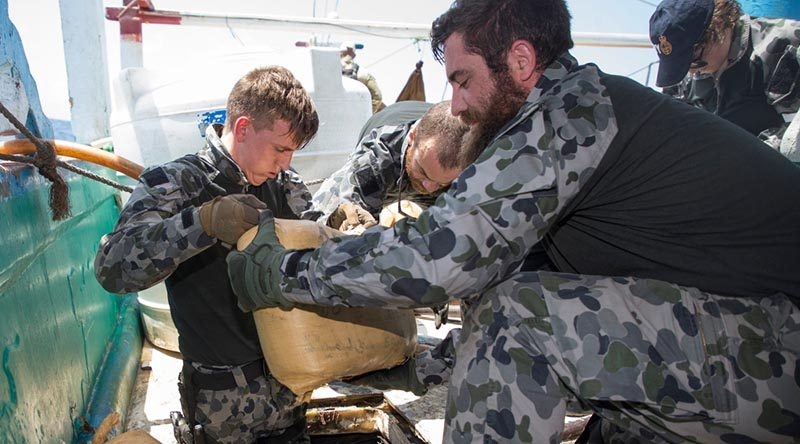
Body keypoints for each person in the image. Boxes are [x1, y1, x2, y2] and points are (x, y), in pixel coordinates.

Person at [227, 1, 800, 443]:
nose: (454, 105)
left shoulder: (571, 113)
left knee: (516, 318)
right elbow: (491, 279)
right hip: (743, 337)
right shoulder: (578, 138)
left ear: (521, 62)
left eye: (462, 79)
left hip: (779, 347)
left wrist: (284, 271)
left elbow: (437, 256)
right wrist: (417, 367)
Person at [94, 65, 319, 443]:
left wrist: (336, 229)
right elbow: (112, 268)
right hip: (223, 407)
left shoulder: (286, 186)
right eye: (280, 149)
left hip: (289, 392)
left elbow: (316, 251)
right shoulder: (176, 182)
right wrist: (202, 224)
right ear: (243, 127)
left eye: (292, 153)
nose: (286, 164)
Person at [649, 0, 800, 151]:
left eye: (693, 60)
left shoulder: (783, 45)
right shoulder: (687, 75)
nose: (690, 71)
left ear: (719, 25)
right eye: (679, 65)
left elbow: (793, 136)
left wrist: (734, 157)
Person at [305, 100, 471, 229]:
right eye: (423, 171)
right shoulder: (376, 161)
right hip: (390, 164)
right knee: (327, 220)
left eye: (441, 183)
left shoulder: (476, 164)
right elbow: (345, 217)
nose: (429, 187)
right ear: (413, 137)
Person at [340, 41, 387, 114]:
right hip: (355, 116)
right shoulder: (362, 73)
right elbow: (377, 96)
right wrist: (367, 113)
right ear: (353, 54)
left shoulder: (328, 70)